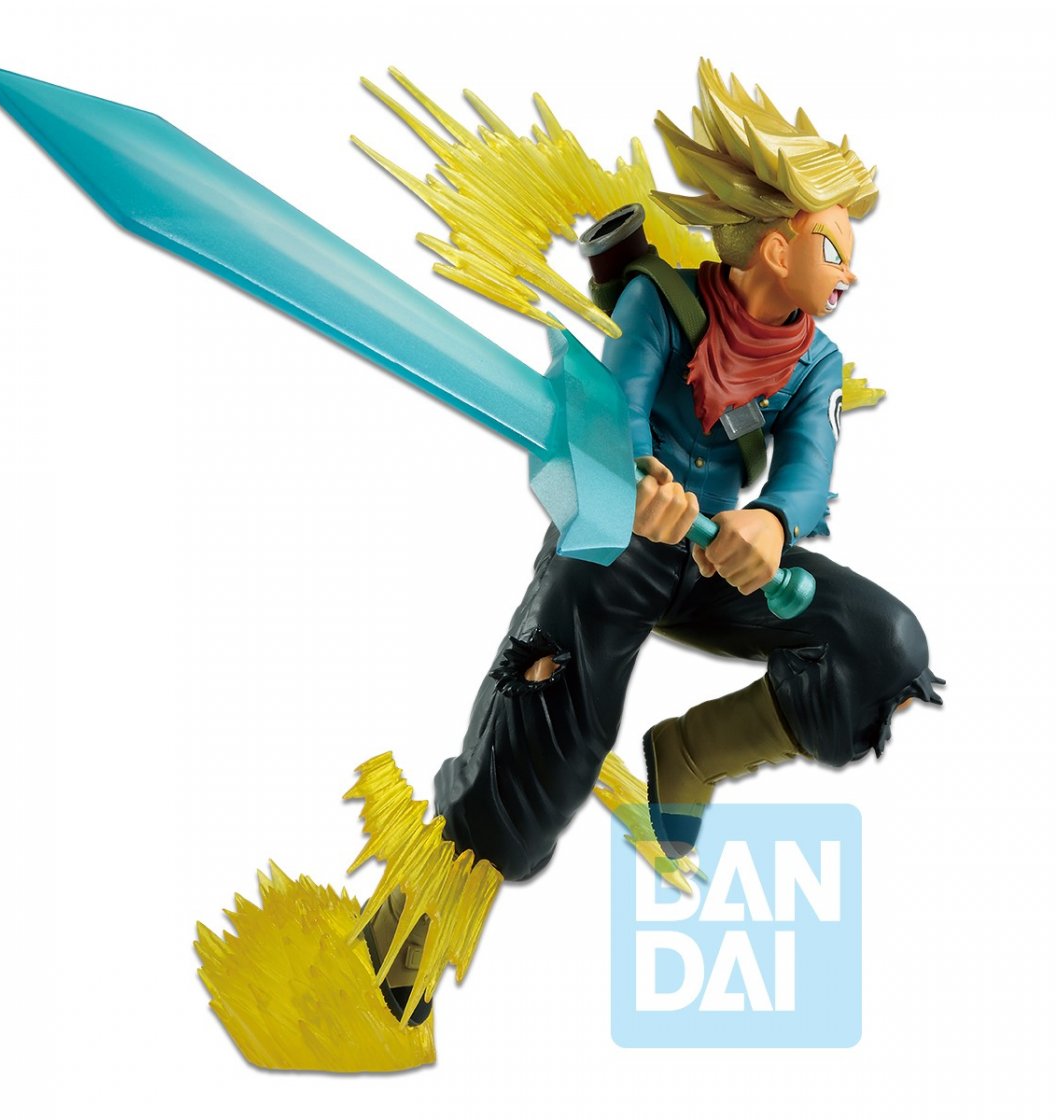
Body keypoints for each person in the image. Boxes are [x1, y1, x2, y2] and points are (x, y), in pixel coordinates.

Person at [367, 59, 941, 1024]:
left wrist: (772, 522)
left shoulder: (817, 363)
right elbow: (618, 412)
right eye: (833, 247)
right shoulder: (658, 302)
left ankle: (691, 756)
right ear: (775, 246)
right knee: (551, 735)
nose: (850, 272)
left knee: (882, 646)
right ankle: (408, 927)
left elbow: (809, 467)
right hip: (618, 540)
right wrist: (640, 481)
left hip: (720, 559)